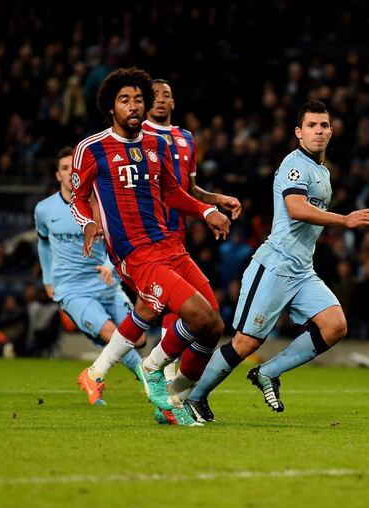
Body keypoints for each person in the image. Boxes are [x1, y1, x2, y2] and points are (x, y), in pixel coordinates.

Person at [182, 100, 369, 422]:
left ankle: (268, 373)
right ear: (299, 132)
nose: (319, 131)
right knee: (246, 342)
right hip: (274, 266)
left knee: (335, 326)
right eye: (312, 126)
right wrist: (345, 221)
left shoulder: (323, 172)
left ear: (331, 132)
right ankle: (194, 397)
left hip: (302, 270)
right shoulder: (295, 164)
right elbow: (297, 208)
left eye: (324, 125)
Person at [70, 67, 231, 426]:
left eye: (139, 99)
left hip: (169, 245)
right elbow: (78, 198)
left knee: (215, 326)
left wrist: (206, 210)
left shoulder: (159, 143)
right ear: (111, 107)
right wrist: (90, 223)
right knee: (197, 317)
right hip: (135, 254)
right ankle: (153, 366)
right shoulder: (91, 149)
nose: (134, 106)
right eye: (125, 100)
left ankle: (174, 399)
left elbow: (173, 192)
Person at [142, 79, 242, 414]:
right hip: (149, 243)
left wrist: (215, 202)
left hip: (178, 239)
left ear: (174, 102)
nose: (160, 101)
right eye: (153, 96)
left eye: (166, 95)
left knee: (209, 323)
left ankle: (176, 395)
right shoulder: (135, 140)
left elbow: (186, 190)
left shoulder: (185, 139)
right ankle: (167, 392)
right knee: (178, 316)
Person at [35, 147, 144, 404]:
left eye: (74, 166)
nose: (70, 171)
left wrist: (109, 264)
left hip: (106, 283)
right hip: (72, 288)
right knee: (111, 333)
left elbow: (116, 238)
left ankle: (92, 377)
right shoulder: (44, 209)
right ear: (58, 174)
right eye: (64, 168)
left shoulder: (100, 203)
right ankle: (151, 379)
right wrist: (48, 279)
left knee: (137, 338)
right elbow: (43, 243)